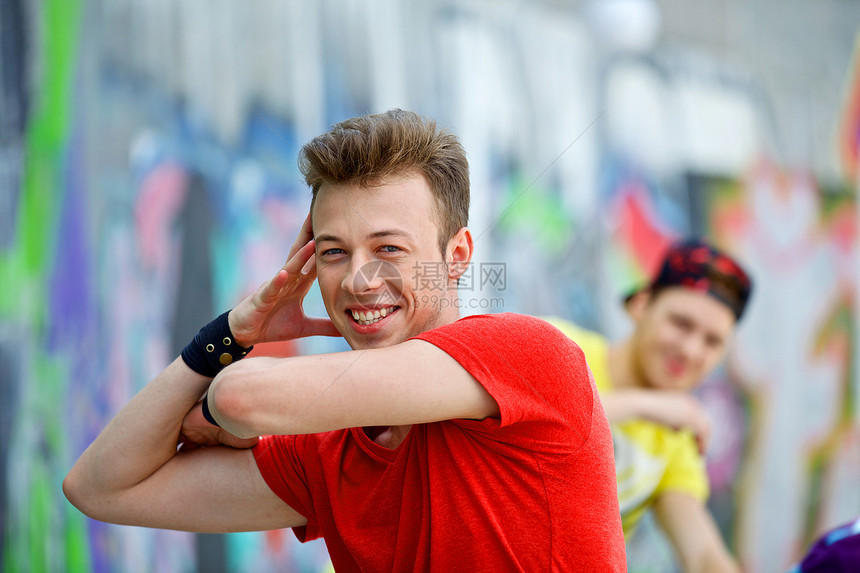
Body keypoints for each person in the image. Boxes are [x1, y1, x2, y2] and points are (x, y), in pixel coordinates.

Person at [64, 109, 627, 571]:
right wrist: (232, 335)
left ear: (455, 257)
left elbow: (241, 400)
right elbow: (100, 488)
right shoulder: (328, 452)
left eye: (388, 248)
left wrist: (217, 410)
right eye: (333, 251)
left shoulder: (527, 353)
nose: (358, 279)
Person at [547, 238, 753, 573]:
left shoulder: (675, 439)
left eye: (712, 341)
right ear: (641, 304)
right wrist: (647, 405)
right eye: (681, 323)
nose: (691, 351)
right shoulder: (561, 346)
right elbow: (538, 411)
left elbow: (702, 554)